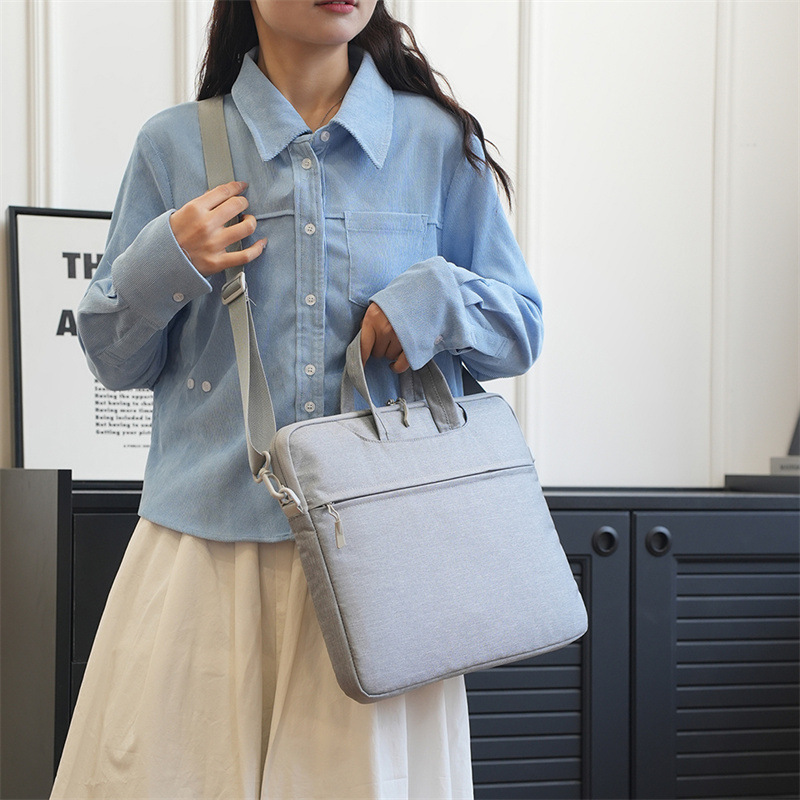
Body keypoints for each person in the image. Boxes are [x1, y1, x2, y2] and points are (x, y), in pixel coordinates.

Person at [50, 0, 544, 797]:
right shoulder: (172, 145)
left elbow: (520, 331)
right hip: (205, 559)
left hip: (384, 570)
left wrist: (435, 300)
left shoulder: (439, 143)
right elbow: (114, 360)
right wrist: (170, 256)